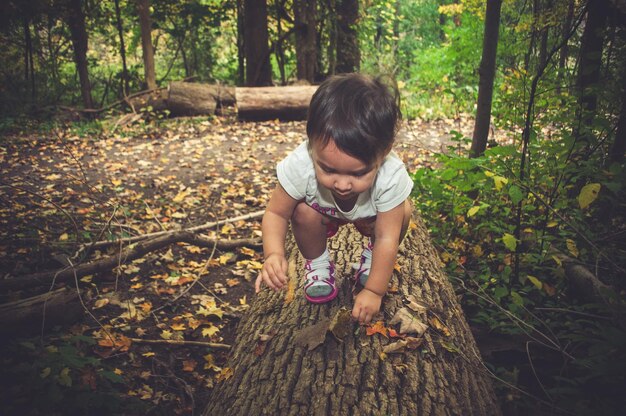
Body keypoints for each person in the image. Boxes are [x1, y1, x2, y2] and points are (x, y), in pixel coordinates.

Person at [254, 73, 413, 325]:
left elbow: (387, 237)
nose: (341, 184)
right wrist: (273, 254)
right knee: (301, 212)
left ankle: (371, 261)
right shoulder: (301, 164)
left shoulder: (390, 176)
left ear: (384, 152)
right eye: (328, 170)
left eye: (358, 173)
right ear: (311, 145)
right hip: (321, 212)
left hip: (372, 217)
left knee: (402, 211)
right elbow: (276, 213)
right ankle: (317, 265)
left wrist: (374, 291)